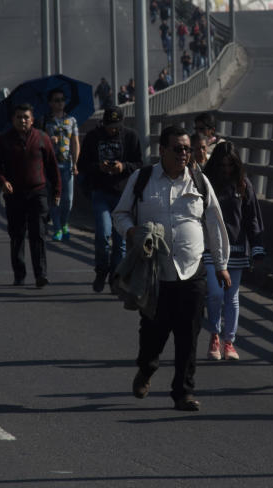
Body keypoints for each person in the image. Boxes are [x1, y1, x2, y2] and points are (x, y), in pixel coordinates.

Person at [114, 125, 230, 412]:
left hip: (193, 271)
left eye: (187, 149)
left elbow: (214, 222)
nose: (183, 154)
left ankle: (183, 392)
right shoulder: (142, 179)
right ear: (162, 150)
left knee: (188, 335)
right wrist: (132, 233)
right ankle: (147, 368)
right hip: (156, 273)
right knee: (153, 332)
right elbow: (120, 214)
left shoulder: (199, 181)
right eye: (177, 149)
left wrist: (221, 264)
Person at [202, 141, 265, 362]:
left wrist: (257, 246)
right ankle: (214, 334)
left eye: (231, 165)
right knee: (215, 293)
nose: (227, 170)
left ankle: (229, 341)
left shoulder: (243, 185)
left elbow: (252, 217)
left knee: (231, 296)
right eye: (222, 165)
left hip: (237, 249)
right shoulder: (206, 184)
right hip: (210, 247)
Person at [0, 104, 61, 288]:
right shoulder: (4, 140)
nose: (23, 120)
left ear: (32, 119)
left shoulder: (42, 138)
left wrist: (57, 190)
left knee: (38, 233)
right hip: (14, 195)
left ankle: (41, 274)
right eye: (19, 117)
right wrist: (2, 181)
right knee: (17, 235)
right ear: (13, 119)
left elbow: (52, 167)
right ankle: (19, 274)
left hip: (38, 192)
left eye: (26, 117)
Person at [76, 107, 143, 292]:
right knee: (103, 233)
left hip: (123, 195)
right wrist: (100, 167)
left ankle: (116, 277)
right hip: (101, 192)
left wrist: (123, 166)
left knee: (120, 240)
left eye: (116, 127)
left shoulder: (130, 137)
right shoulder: (93, 137)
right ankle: (101, 270)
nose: (113, 130)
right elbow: (82, 164)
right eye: (109, 126)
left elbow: (139, 164)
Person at [43, 89, 80, 241]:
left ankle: (64, 223)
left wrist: (76, 163)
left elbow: (75, 142)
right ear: (50, 103)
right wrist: (49, 141)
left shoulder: (72, 120)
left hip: (67, 164)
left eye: (62, 100)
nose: (60, 103)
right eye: (56, 100)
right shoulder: (45, 121)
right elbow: (40, 142)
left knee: (68, 200)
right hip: (51, 165)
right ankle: (57, 228)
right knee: (54, 198)